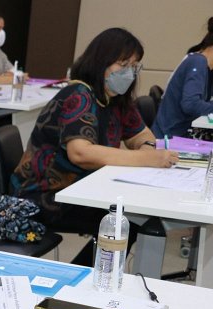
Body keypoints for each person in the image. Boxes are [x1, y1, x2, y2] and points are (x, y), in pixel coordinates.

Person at [11, 28, 178, 264]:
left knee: (130, 218)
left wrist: (147, 149)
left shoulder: (116, 99)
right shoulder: (79, 95)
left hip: (83, 190)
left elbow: (142, 135)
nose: (129, 73)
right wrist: (147, 159)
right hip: (45, 196)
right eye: (123, 64)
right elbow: (80, 152)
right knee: (126, 222)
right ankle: (84, 277)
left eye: (134, 66)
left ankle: (89, 274)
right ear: (101, 62)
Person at [152, 17, 213, 138]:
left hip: (184, 135)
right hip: (169, 139)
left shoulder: (208, 69)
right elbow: (190, 104)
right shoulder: (197, 62)